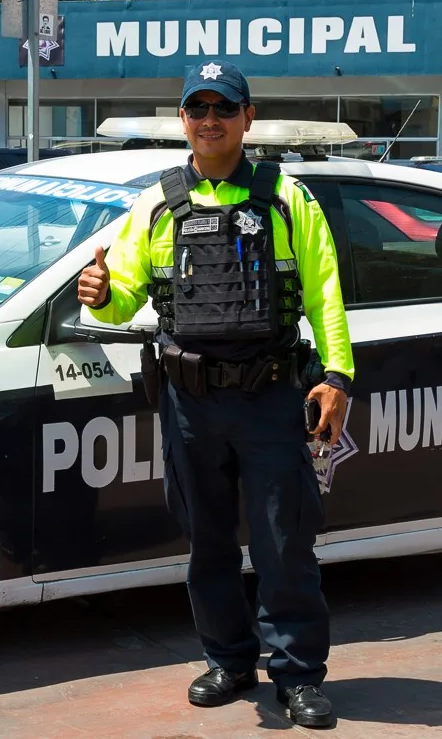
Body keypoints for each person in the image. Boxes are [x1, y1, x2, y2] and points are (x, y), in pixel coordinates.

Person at [77, 59, 354, 729]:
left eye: (223, 108)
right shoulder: (156, 203)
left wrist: (338, 376)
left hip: (270, 397)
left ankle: (296, 674)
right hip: (190, 403)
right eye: (197, 109)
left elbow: (324, 291)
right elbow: (124, 298)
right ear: (183, 119)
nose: (209, 120)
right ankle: (229, 660)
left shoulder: (288, 197)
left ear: (247, 117)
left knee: (284, 540)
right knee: (207, 540)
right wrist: (102, 294)